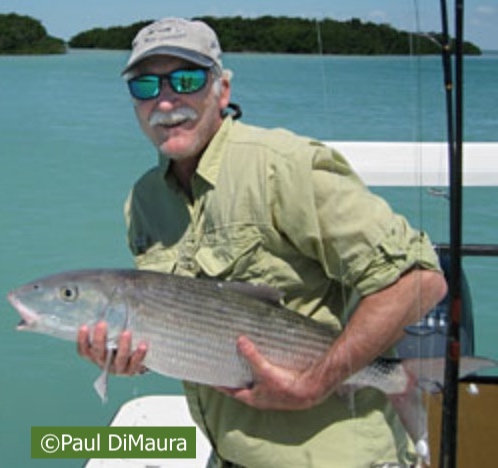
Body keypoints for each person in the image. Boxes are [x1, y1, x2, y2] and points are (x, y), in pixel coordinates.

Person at [77, 17, 447, 468]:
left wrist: (316, 380)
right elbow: (185, 329)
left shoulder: (283, 168)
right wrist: (132, 356)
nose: (166, 100)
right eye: (145, 86)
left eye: (187, 79)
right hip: (229, 454)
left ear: (223, 90)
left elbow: (420, 281)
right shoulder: (143, 201)